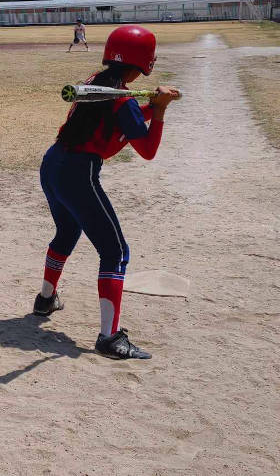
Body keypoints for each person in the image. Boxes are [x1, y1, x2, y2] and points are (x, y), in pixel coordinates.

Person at [34, 25, 180, 360]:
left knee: (67, 231)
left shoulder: (96, 84)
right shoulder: (121, 99)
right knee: (115, 252)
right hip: (79, 173)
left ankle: (45, 300)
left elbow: (122, 119)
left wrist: (152, 105)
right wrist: (159, 112)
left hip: (53, 164)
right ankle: (109, 337)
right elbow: (147, 150)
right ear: (143, 61)